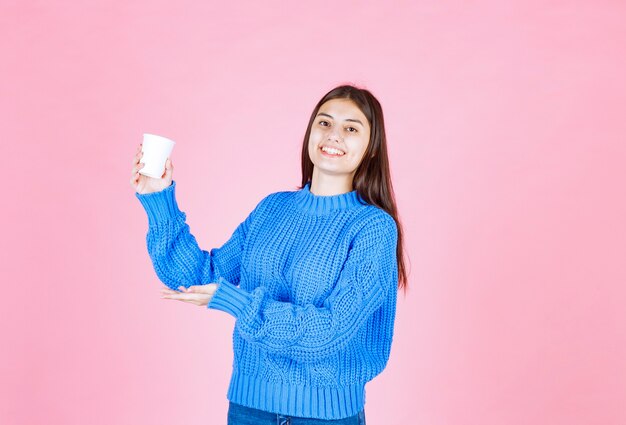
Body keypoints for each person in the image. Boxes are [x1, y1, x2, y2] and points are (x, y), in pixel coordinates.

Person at [130, 84, 409, 425]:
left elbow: (330, 331)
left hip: (326, 417)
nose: (333, 135)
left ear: (371, 150)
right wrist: (159, 199)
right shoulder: (271, 209)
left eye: (351, 128)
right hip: (249, 410)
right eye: (324, 123)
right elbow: (197, 278)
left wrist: (238, 303)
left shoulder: (373, 228)